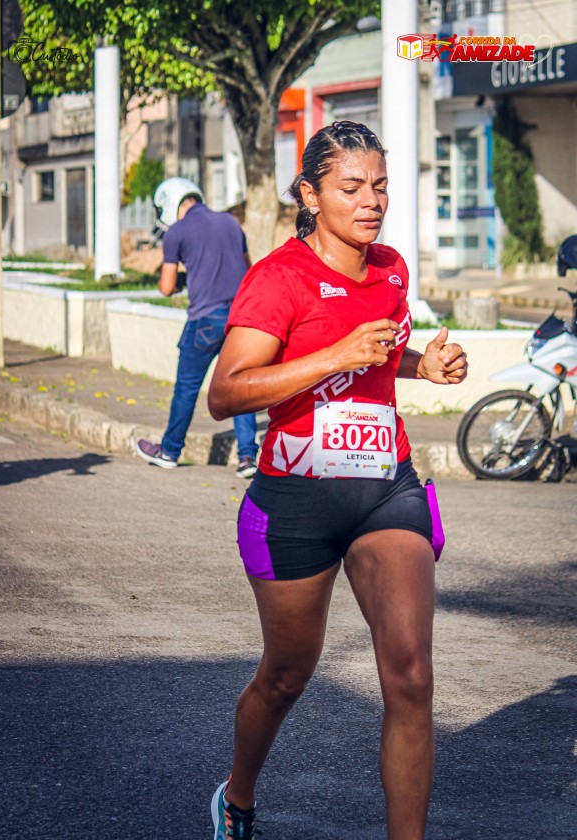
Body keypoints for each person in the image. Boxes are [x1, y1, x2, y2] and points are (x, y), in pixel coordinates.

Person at [207, 121, 468, 840]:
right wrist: (334, 354)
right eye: (352, 188)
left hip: (386, 487)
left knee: (412, 675)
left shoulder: (389, 270)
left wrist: (420, 365)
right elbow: (227, 392)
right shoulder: (278, 280)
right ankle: (238, 794)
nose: (372, 201)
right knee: (288, 674)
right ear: (310, 194)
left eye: (380, 186)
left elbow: (375, 357)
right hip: (294, 499)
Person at [135, 177, 259, 479]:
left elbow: (165, 287)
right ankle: (247, 458)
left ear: (169, 203)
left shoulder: (176, 232)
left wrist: (180, 281)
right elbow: (249, 269)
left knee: (186, 389)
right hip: (239, 318)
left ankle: (170, 451)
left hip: (204, 320)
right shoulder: (231, 223)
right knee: (240, 387)